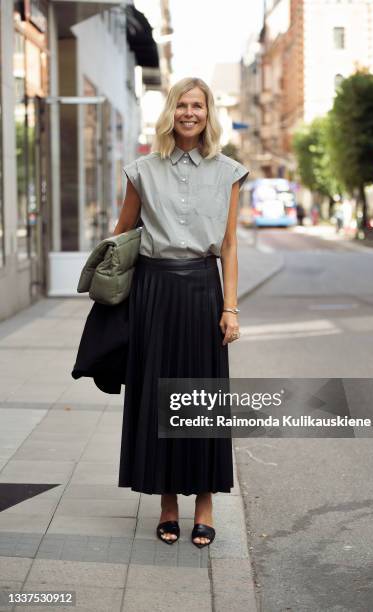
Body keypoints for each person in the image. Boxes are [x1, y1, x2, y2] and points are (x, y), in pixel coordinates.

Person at [113, 77, 249, 548]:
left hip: (202, 292)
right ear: (170, 112)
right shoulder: (141, 171)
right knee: (160, 398)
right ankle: (168, 503)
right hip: (152, 292)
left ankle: (205, 504)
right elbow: (121, 236)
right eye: (182, 105)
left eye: (198, 106)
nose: (190, 113)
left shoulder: (229, 171)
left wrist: (230, 307)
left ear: (209, 114)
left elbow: (229, 246)